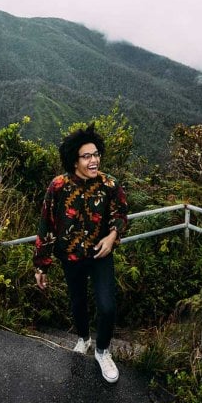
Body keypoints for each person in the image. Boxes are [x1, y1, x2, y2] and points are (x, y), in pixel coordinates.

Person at [34, 124, 128, 383]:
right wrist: (42, 265)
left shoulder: (109, 185)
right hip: (70, 257)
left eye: (96, 154)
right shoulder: (58, 187)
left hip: (100, 255)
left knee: (107, 306)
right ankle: (84, 339)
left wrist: (112, 237)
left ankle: (102, 351)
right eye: (87, 156)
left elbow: (121, 214)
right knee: (77, 303)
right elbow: (47, 225)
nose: (94, 160)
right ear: (74, 160)